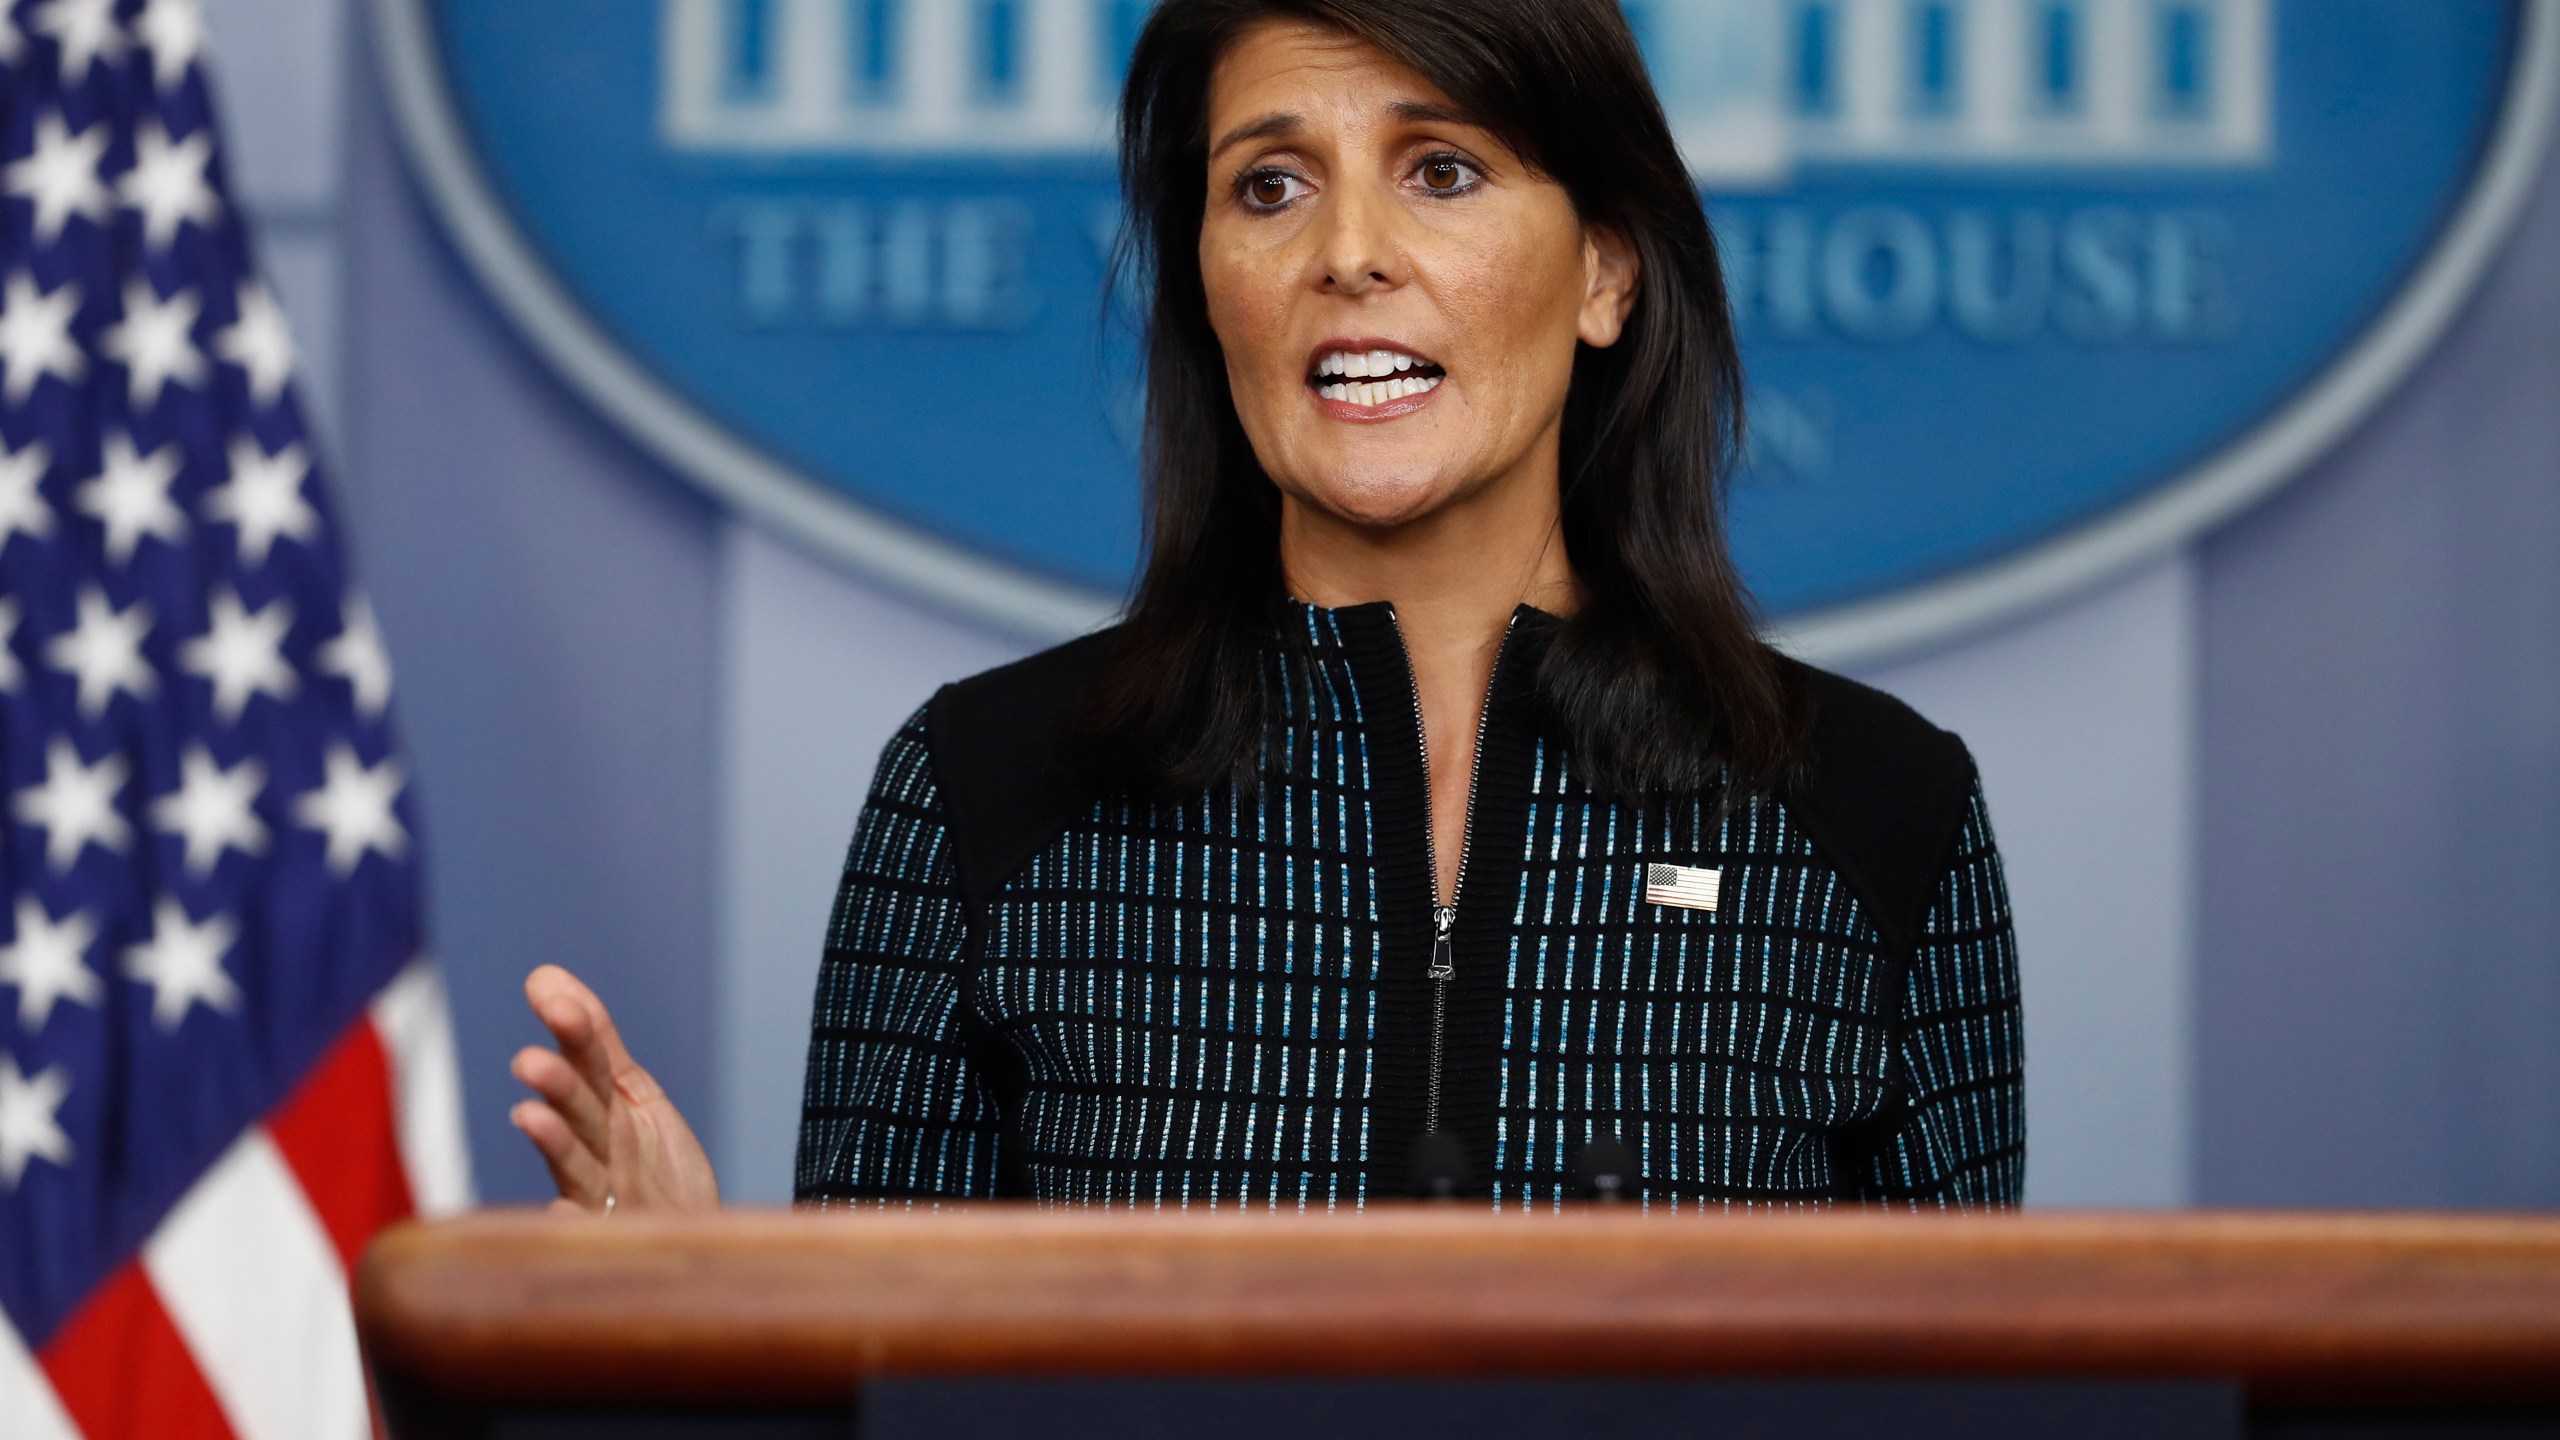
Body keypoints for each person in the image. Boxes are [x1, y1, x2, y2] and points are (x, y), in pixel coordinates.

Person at [507, 0, 2024, 1213]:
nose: (1348, 254)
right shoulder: (982, 791)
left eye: (1442, 170)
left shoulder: (1878, 807)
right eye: (1270, 186)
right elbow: (872, 1399)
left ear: (1605, 273)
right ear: (1206, 280)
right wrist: (697, 1318)